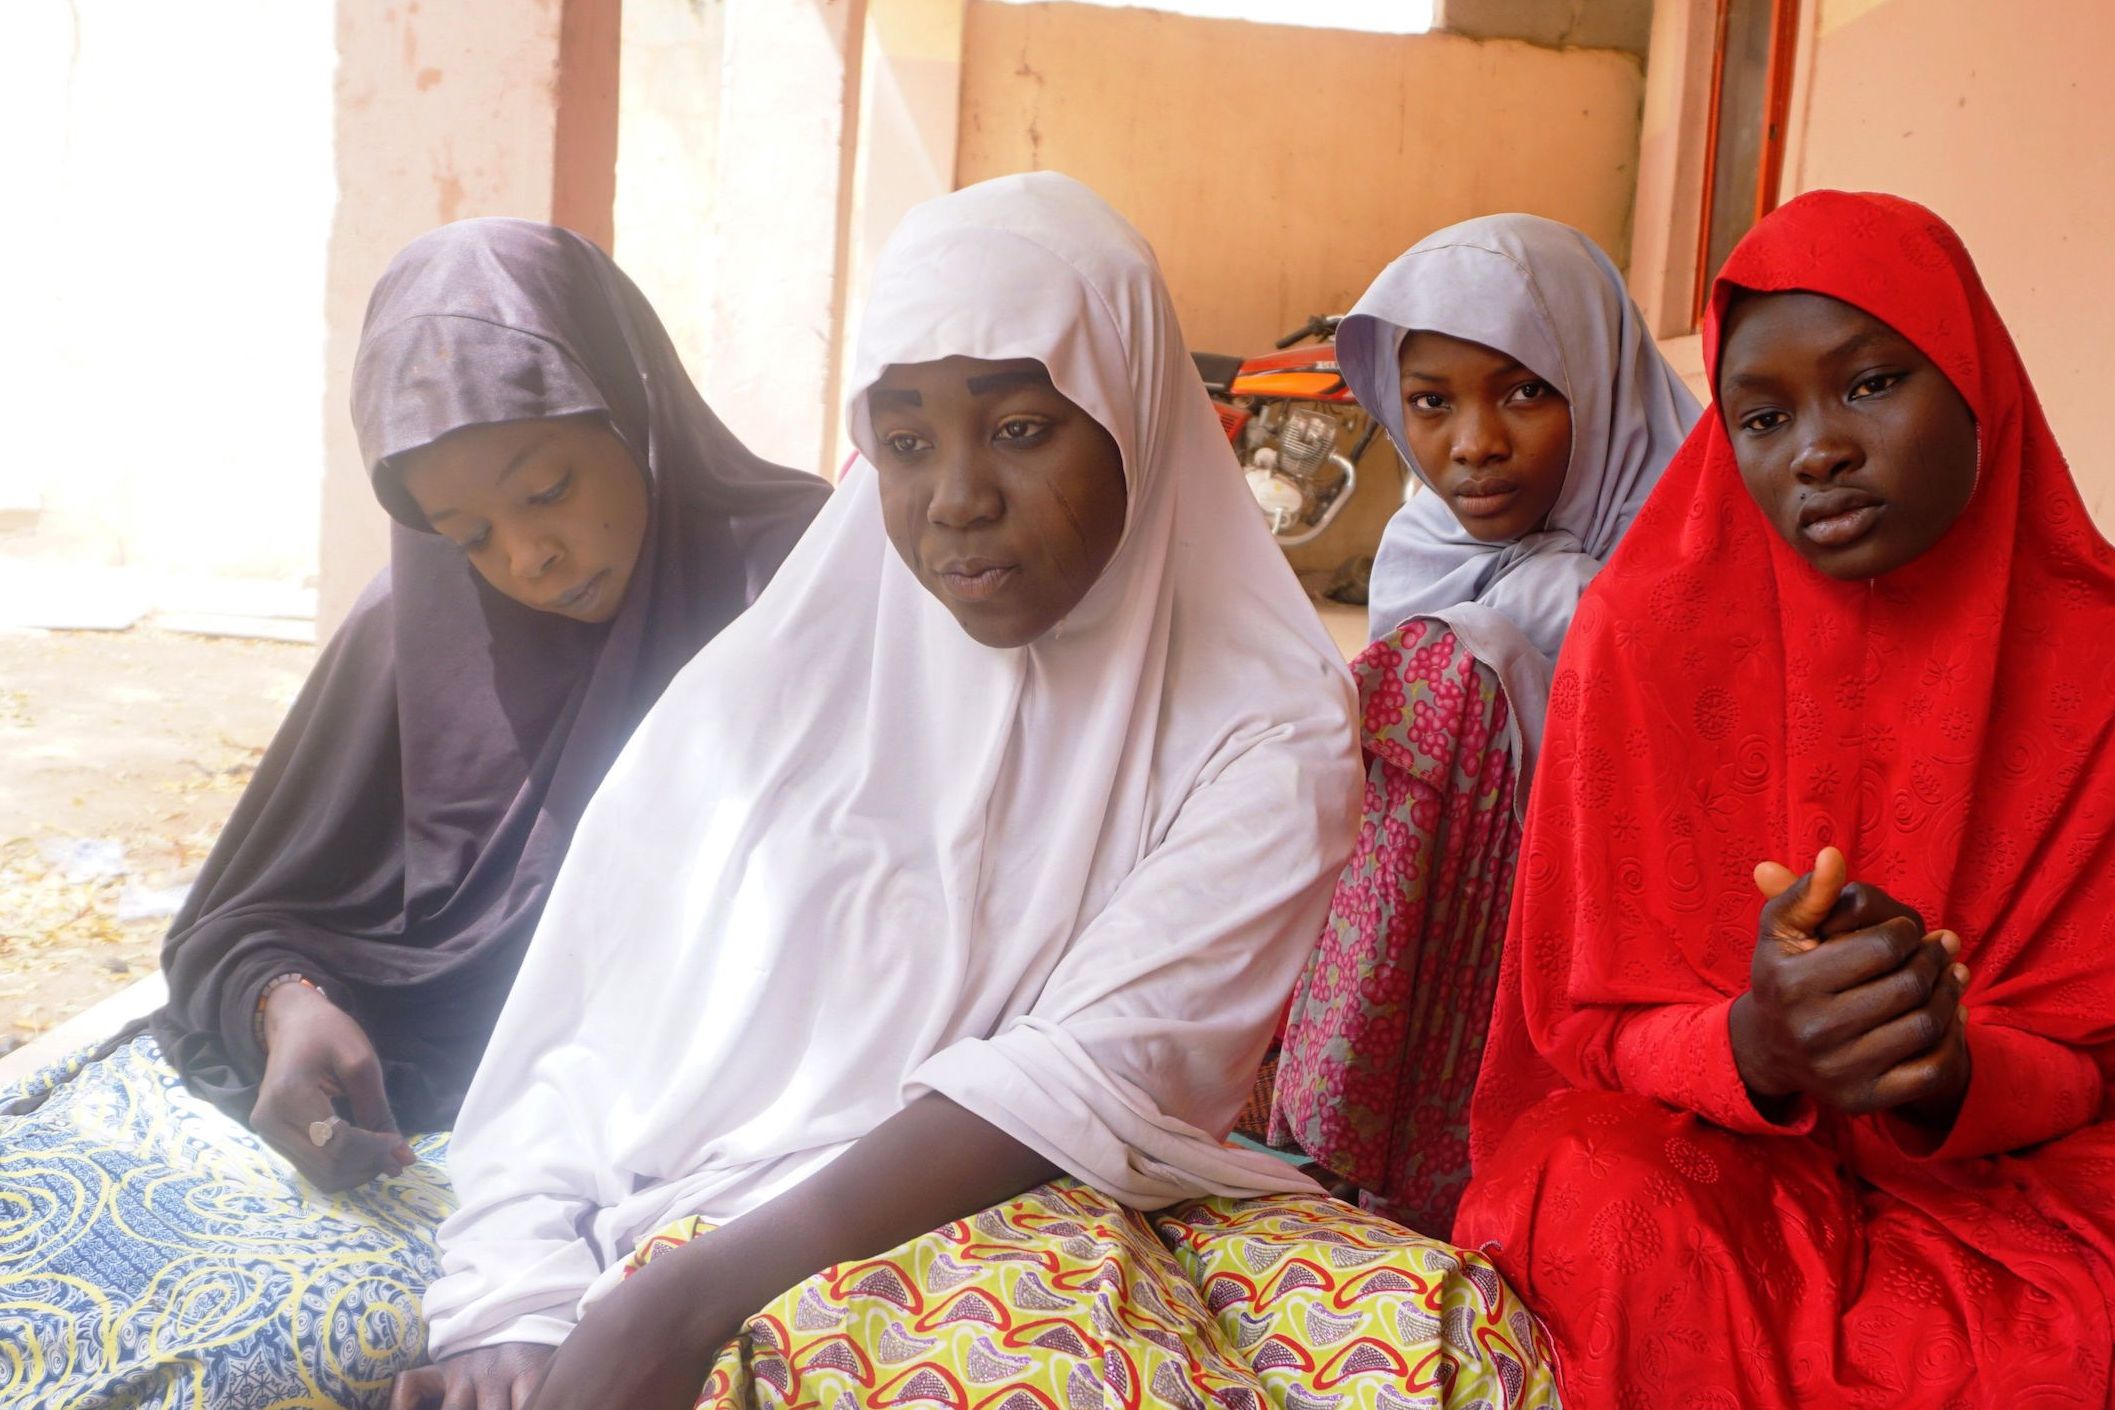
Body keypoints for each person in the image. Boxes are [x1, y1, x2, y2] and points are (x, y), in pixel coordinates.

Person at [394, 173, 1557, 1410]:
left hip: (1041, 1186)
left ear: (1138, 413)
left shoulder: (1265, 723)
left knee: (1454, 1345)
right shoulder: (777, 685)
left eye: (1017, 430)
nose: (955, 498)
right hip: (720, 1203)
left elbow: (1099, 1071)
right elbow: (575, 1034)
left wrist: (692, 1300)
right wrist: (508, 1298)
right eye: (903, 445)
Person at [0, 218, 827, 1408]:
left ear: (630, 406)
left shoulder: (800, 586)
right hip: (428, 1134)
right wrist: (291, 1008)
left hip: (702, 1151)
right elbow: (245, 915)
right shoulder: (420, 624)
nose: (529, 559)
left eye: (548, 489)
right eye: (469, 534)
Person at [1456, 190, 2115, 1407]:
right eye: (1762, 414)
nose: (1818, 447)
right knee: (1596, 1202)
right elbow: (1580, 1030)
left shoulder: (2098, 651)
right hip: (1724, 1152)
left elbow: (2102, 1055)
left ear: (1979, 382)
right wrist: (1756, 1039)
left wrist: (1949, 1063)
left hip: (2023, 1167)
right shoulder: (1642, 638)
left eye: (1871, 385)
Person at [1271, 215, 1698, 1233]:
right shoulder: (1424, 540)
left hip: (1627, 948)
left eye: (1524, 391)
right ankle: (1351, 1117)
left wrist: (1567, 621)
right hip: (1443, 954)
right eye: (1429, 403)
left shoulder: (1692, 535)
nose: (1473, 444)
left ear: (1598, 383)